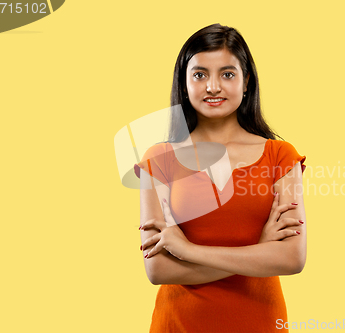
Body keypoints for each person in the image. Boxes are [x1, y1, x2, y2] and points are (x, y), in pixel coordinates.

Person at [135, 23, 307, 333]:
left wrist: (188, 252)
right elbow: (158, 268)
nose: (213, 87)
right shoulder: (158, 158)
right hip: (178, 324)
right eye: (200, 75)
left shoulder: (280, 155)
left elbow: (291, 258)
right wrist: (259, 249)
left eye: (227, 74)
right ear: (184, 82)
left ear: (246, 82)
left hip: (259, 323)